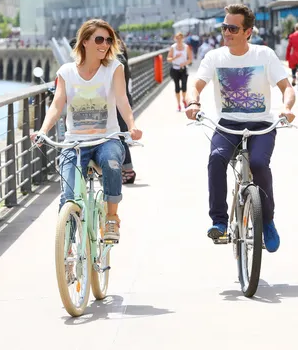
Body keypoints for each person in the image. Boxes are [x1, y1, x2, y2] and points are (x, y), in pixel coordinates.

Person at [185, 4, 296, 253]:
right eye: (224, 27)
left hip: (262, 124)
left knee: (258, 164)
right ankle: (219, 221)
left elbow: (286, 87)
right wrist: (193, 101)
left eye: (233, 28)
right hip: (227, 125)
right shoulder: (214, 57)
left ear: (248, 32)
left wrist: (287, 108)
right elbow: (197, 84)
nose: (227, 32)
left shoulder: (264, 55)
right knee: (216, 159)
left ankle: (267, 221)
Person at [31, 19, 142, 242]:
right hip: (74, 142)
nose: (105, 44)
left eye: (108, 40)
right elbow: (57, 104)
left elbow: (122, 100)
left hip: (106, 138)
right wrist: (43, 130)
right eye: (99, 39)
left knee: (112, 161)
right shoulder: (66, 72)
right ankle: (68, 250)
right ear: (84, 42)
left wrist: (132, 125)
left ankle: (112, 217)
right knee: (69, 196)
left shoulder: (114, 68)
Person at [115, 33, 137, 184]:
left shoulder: (117, 59)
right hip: (123, 98)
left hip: (119, 101)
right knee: (119, 135)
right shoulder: (121, 53)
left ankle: (128, 170)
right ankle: (125, 169)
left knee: (120, 136)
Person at [167, 32, 193, 111]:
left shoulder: (186, 47)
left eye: (180, 38)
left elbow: (190, 59)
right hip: (175, 69)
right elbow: (168, 59)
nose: (178, 40)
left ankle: (184, 100)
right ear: (175, 39)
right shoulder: (173, 47)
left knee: (184, 87)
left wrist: (184, 63)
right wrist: (175, 57)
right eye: (177, 38)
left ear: (182, 38)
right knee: (177, 87)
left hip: (183, 69)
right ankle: (178, 104)